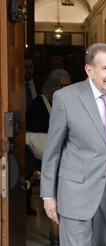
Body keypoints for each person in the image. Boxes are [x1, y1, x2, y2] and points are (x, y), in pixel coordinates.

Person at [40, 43, 106, 246]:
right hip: (76, 192)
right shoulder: (66, 98)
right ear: (89, 70)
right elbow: (52, 152)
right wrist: (48, 196)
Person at [26, 69, 72, 246]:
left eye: (70, 85)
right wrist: (53, 129)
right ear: (54, 87)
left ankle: (62, 234)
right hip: (50, 157)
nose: (69, 89)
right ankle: (55, 234)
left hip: (68, 156)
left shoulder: (71, 101)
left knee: (66, 197)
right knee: (54, 196)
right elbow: (29, 124)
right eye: (65, 86)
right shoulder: (40, 103)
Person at [24, 54, 41, 216]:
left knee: (32, 169)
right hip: (18, 130)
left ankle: (28, 204)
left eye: (30, 67)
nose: (28, 70)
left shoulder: (39, 84)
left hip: (35, 133)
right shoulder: (14, 84)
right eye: (25, 67)